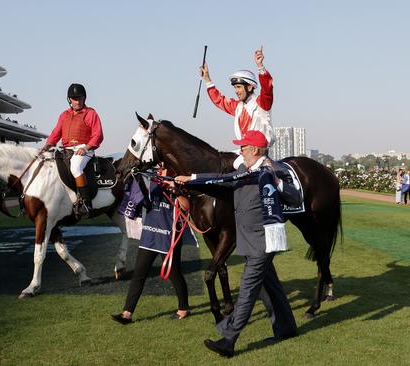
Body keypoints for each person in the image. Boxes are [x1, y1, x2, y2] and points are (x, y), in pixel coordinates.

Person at [175, 130, 299, 358]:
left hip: (263, 241)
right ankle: (287, 328)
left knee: (248, 289)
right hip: (247, 240)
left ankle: (228, 339)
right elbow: (222, 181)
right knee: (269, 287)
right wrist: (191, 179)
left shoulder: (275, 169)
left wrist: (278, 181)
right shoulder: (243, 170)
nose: (239, 149)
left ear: (254, 150)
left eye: (243, 146)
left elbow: (296, 197)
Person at [111, 166, 192, 324]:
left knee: (174, 274)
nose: (159, 166)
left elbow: (187, 206)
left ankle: (183, 308)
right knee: (139, 274)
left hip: (169, 234)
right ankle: (127, 313)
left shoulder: (178, 178)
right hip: (149, 233)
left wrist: (176, 191)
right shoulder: (149, 178)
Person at [200, 47, 275, 169]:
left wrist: (260, 67)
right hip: (244, 151)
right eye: (235, 88)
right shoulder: (238, 107)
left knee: (237, 165)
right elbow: (219, 100)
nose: (236, 91)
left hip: (258, 154)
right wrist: (207, 79)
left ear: (249, 87)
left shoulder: (262, 103)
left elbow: (267, 89)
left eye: (239, 87)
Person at [41, 83, 103, 216]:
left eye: (80, 98)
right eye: (75, 99)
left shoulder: (91, 113)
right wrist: (47, 145)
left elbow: (98, 135)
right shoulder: (64, 115)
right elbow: (56, 133)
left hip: (85, 149)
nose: (78, 101)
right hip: (66, 150)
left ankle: (85, 203)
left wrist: (86, 148)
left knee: (75, 167)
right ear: (69, 100)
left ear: (84, 98)